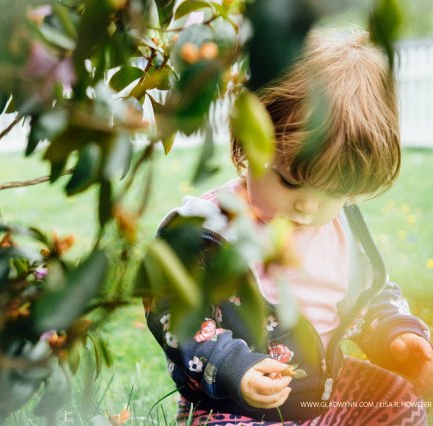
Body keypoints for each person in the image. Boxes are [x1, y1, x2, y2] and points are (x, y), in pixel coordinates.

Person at [145, 27, 433, 425]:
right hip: (236, 408)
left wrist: (395, 334)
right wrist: (233, 366)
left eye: (335, 191)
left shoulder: (342, 232)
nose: (308, 206)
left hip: (324, 397)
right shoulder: (208, 231)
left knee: (398, 400)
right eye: (290, 181)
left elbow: (369, 293)